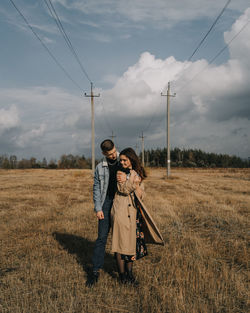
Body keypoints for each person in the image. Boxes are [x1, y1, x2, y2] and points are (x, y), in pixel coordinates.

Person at [111, 147, 164, 285]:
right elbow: (123, 189)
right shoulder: (120, 173)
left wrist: (134, 181)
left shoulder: (136, 173)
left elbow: (142, 194)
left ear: (131, 160)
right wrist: (133, 180)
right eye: (120, 160)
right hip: (121, 213)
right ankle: (122, 277)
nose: (122, 162)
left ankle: (130, 275)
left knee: (131, 245)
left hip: (134, 214)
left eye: (125, 160)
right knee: (120, 245)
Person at [86, 139, 126, 287]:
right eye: (109, 154)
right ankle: (95, 272)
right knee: (101, 238)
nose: (113, 155)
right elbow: (96, 188)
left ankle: (123, 274)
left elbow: (135, 177)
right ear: (103, 153)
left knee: (120, 239)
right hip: (106, 203)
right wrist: (98, 208)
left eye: (114, 151)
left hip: (121, 203)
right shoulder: (99, 167)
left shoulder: (124, 160)